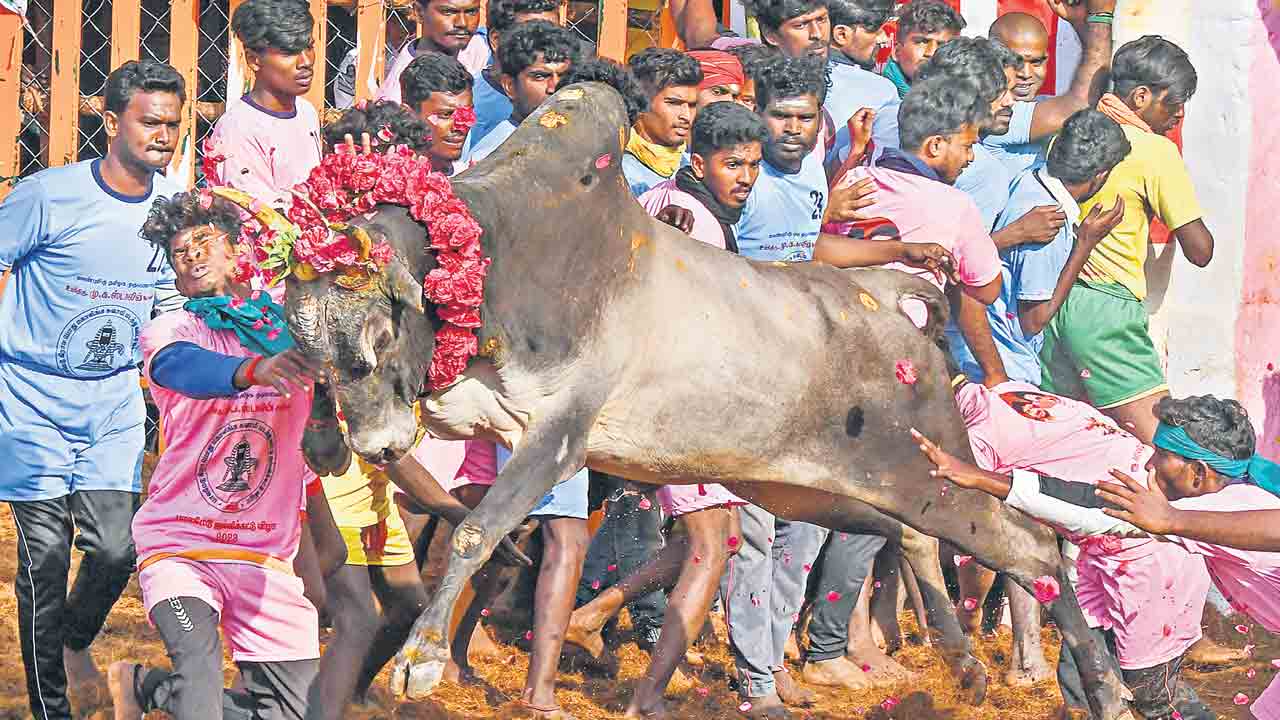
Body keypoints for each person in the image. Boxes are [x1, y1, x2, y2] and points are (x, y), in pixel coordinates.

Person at [722, 55, 954, 719]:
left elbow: (814, 248)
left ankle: (772, 662)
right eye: (779, 116)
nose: (791, 130)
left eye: (803, 117)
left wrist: (895, 254)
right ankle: (755, 684)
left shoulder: (817, 168)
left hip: (809, 375)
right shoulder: (745, 178)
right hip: (747, 374)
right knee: (754, 534)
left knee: (808, 527)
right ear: (756, 109)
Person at [562, 102, 765, 719]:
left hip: (659, 396)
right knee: (709, 545)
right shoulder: (694, 220)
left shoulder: (659, 199)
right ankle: (646, 700)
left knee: (719, 538)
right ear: (698, 161)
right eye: (734, 165)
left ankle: (592, 614)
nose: (747, 177)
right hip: (685, 400)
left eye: (753, 166)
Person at [0, 59, 185, 720]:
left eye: (173, 123)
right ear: (111, 121)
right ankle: (52, 708)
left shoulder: (173, 208)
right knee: (44, 558)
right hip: (31, 402)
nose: (163, 135)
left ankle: (74, 641)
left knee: (116, 547)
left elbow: (168, 306)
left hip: (110, 404)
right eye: (149, 121)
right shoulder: (49, 195)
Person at [913, 394, 1276, 719]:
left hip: (1149, 591)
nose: (1149, 464)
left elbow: (1093, 510)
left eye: (1163, 456)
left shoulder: (1231, 507)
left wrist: (1173, 520)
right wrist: (983, 479)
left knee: (1153, 694)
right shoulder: (1201, 506)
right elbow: (1090, 505)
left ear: (1199, 473)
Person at [108, 190, 325, 720]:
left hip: (264, 554)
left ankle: (146, 687)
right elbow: (181, 368)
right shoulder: (172, 331)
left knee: (296, 715)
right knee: (200, 676)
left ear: (237, 249)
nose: (193, 256)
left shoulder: (292, 329)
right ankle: (174, 692)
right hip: (181, 543)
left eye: (204, 242)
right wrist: (254, 371)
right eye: (180, 253)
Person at [1039, 35, 1215, 444]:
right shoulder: (1154, 151)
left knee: (1067, 440)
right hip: (1105, 312)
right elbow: (1200, 250)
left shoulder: (1071, 130)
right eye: (1173, 103)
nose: (1179, 114)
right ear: (1141, 97)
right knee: (1168, 447)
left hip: (1051, 301)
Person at [950, 109, 1128, 388]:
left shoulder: (1028, 179)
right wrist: (1084, 246)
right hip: (1000, 369)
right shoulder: (1049, 222)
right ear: (1100, 176)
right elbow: (1032, 321)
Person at [204, 0, 322, 207]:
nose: (305, 61)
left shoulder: (306, 112)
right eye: (288, 52)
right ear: (254, 60)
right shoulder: (238, 130)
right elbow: (260, 220)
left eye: (309, 47)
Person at [984, 0, 1117, 176]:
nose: (1025, 73)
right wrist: (1101, 16)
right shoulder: (995, 114)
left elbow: (1091, 94)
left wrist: (1078, 23)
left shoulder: (1039, 105)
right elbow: (1080, 103)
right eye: (1014, 62)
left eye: (1036, 62)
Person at [465, 20, 581, 163]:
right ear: (510, 86)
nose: (554, 88)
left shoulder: (578, 138)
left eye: (564, 76)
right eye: (540, 77)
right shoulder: (491, 157)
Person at [469, 0, 563, 145]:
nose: (546, 48)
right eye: (531, 37)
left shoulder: (566, 97)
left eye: (554, 35)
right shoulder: (466, 104)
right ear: (496, 39)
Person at [621, 48, 702, 196]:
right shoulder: (617, 174)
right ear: (640, 103)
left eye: (692, 105)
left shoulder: (697, 169)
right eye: (674, 103)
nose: (686, 116)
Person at [374, 0, 486, 104]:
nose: (462, 23)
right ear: (419, 12)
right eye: (448, 12)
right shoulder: (400, 98)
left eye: (471, 11)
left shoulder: (481, 49)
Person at [401, 51, 478, 175]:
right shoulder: (383, 184)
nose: (461, 127)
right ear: (408, 116)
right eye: (446, 115)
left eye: (467, 113)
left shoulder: (470, 176)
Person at [880, 0, 964, 98]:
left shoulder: (964, 101)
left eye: (943, 45)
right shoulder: (873, 101)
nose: (932, 53)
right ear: (896, 52)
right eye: (922, 42)